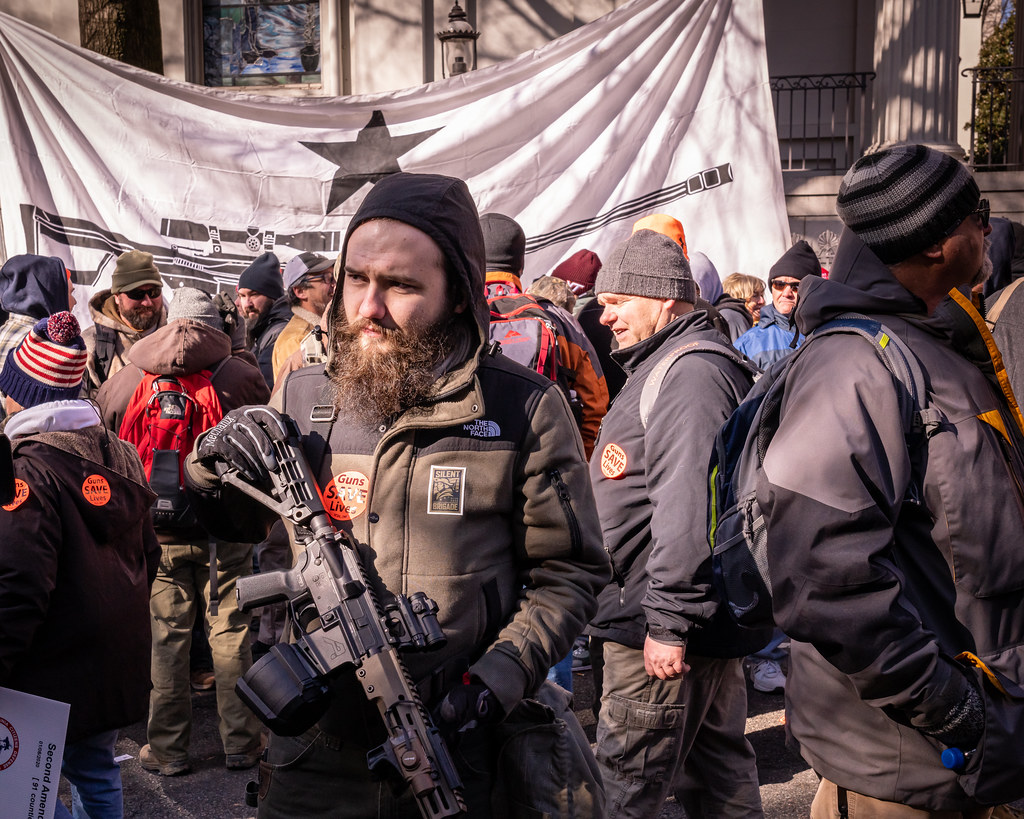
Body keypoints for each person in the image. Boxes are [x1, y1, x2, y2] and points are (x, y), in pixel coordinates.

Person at [183, 172, 609, 817]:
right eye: (356, 278)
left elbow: (569, 571)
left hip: (459, 746)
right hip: (315, 753)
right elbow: (233, 521)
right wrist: (210, 468)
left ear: (460, 295)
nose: (367, 307)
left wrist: (493, 683)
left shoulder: (523, 407)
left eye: (401, 285)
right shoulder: (303, 395)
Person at [760, 143, 1024, 815]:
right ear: (938, 242)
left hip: (972, 760)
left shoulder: (934, 345)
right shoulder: (855, 364)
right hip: (907, 771)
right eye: (979, 215)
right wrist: (952, 708)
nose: (989, 230)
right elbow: (819, 573)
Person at [586, 228, 764, 818]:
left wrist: (667, 620)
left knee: (626, 791)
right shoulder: (672, 366)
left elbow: (687, 504)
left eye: (616, 300)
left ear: (665, 300)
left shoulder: (687, 375)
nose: (603, 314)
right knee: (718, 782)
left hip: (658, 630)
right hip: (681, 621)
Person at [96, 287, 269, 777]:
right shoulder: (239, 374)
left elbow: (106, 434)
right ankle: (242, 742)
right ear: (216, 324)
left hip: (158, 531)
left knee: (166, 638)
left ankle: (168, 750)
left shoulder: (131, 374)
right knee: (231, 632)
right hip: (225, 529)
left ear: (171, 320)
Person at [0, 311, 159, 819]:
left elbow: (18, 584)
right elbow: (148, 554)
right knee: (95, 769)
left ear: (22, 395)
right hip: (114, 656)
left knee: (23, 786)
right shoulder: (120, 452)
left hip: (50, 666)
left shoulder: (27, 471)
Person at [480, 212, 609, 459]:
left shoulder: (448, 312)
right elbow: (596, 402)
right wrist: (578, 461)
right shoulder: (556, 317)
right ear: (520, 266)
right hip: (541, 464)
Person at [82, 249, 167, 397]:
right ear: (117, 297)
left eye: (153, 292)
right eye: (136, 294)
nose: (147, 302)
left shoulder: (178, 335)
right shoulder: (92, 343)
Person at [733, 240, 820, 370]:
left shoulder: (829, 334)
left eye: (796, 286)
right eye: (779, 285)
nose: (786, 293)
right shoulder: (748, 342)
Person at [0, 254, 76, 378]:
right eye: (69, 293)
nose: (74, 301)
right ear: (52, 295)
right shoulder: (45, 344)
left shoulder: (4, 332)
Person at [271, 251, 336, 380]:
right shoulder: (296, 339)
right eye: (327, 278)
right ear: (300, 291)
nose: (334, 285)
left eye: (334, 277)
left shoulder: (320, 329)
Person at [235, 251, 290, 388]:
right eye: (242, 296)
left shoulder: (279, 332)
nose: (247, 304)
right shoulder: (262, 329)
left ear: (272, 295)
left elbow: (260, 390)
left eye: (254, 295)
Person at [690, 251, 752, 342]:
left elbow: (738, 353)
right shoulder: (701, 316)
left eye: (694, 287)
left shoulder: (728, 316)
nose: (687, 293)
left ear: (708, 284)